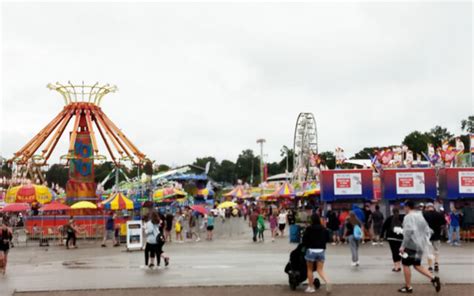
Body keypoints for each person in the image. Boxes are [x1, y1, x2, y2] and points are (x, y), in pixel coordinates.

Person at [398, 200, 441, 293]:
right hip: (420, 245)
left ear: (407, 207)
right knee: (417, 265)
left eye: (404, 207)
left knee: (405, 264)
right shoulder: (420, 215)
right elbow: (427, 230)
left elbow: (408, 232)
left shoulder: (408, 217)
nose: (403, 209)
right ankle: (433, 278)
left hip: (411, 245)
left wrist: (402, 246)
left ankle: (408, 287)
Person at [302, 214, 331, 294]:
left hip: (311, 250)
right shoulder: (324, 229)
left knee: (310, 269)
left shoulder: (309, 229)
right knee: (320, 269)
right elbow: (328, 239)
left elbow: (304, 240)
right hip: (321, 251)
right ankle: (327, 281)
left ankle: (311, 287)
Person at [423, 203, 446, 272]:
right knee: (436, 250)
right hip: (437, 235)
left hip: (427, 236)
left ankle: (430, 267)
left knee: (429, 251)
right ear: (433, 207)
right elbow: (443, 223)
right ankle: (436, 263)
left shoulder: (424, 214)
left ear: (427, 208)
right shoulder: (439, 214)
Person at [381, 208, 404, 272]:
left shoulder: (389, 218)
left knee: (394, 252)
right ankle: (399, 266)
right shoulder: (402, 218)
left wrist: (381, 236)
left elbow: (384, 227)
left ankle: (396, 267)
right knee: (399, 251)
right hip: (400, 237)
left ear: (392, 212)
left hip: (391, 238)